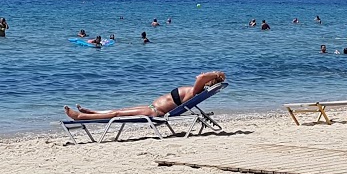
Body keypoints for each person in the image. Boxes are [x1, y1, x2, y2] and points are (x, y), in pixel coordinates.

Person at [64, 71, 226, 122]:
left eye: (206, 75)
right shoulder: (195, 91)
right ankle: (90, 112)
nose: (202, 74)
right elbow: (201, 78)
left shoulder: (195, 91)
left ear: (208, 81)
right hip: (152, 108)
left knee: (118, 114)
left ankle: (80, 116)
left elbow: (200, 78)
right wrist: (212, 75)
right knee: (118, 111)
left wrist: (214, 73)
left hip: (155, 113)